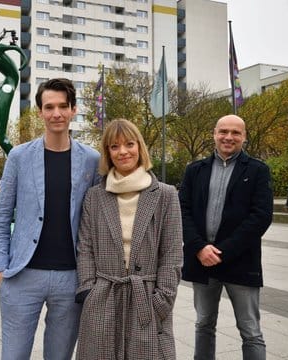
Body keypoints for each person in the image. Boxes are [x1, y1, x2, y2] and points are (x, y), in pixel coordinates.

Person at [0, 78, 101, 360]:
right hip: (22, 275)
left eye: (63, 106)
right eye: (49, 107)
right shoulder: (19, 156)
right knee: (13, 356)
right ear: (39, 111)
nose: (56, 113)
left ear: (74, 109)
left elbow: (98, 220)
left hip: (71, 277)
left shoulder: (91, 159)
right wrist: (0, 268)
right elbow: (2, 216)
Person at [75, 119, 183, 359]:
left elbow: (172, 253)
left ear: (140, 147)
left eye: (129, 144)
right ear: (107, 153)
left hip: (147, 298)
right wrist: (88, 290)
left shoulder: (165, 195)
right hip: (103, 296)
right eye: (114, 146)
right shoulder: (94, 196)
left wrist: (162, 300)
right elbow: (86, 248)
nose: (123, 151)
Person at [179, 114, 273, 359]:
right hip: (202, 262)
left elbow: (261, 217)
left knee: (250, 330)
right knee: (203, 324)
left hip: (240, 262)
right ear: (214, 133)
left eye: (235, 133)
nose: (228, 137)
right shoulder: (194, 170)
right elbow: (182, 211)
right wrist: (200, 248)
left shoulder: (257, 170)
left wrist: (222, 252)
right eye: (223, 131)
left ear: (244, 137)